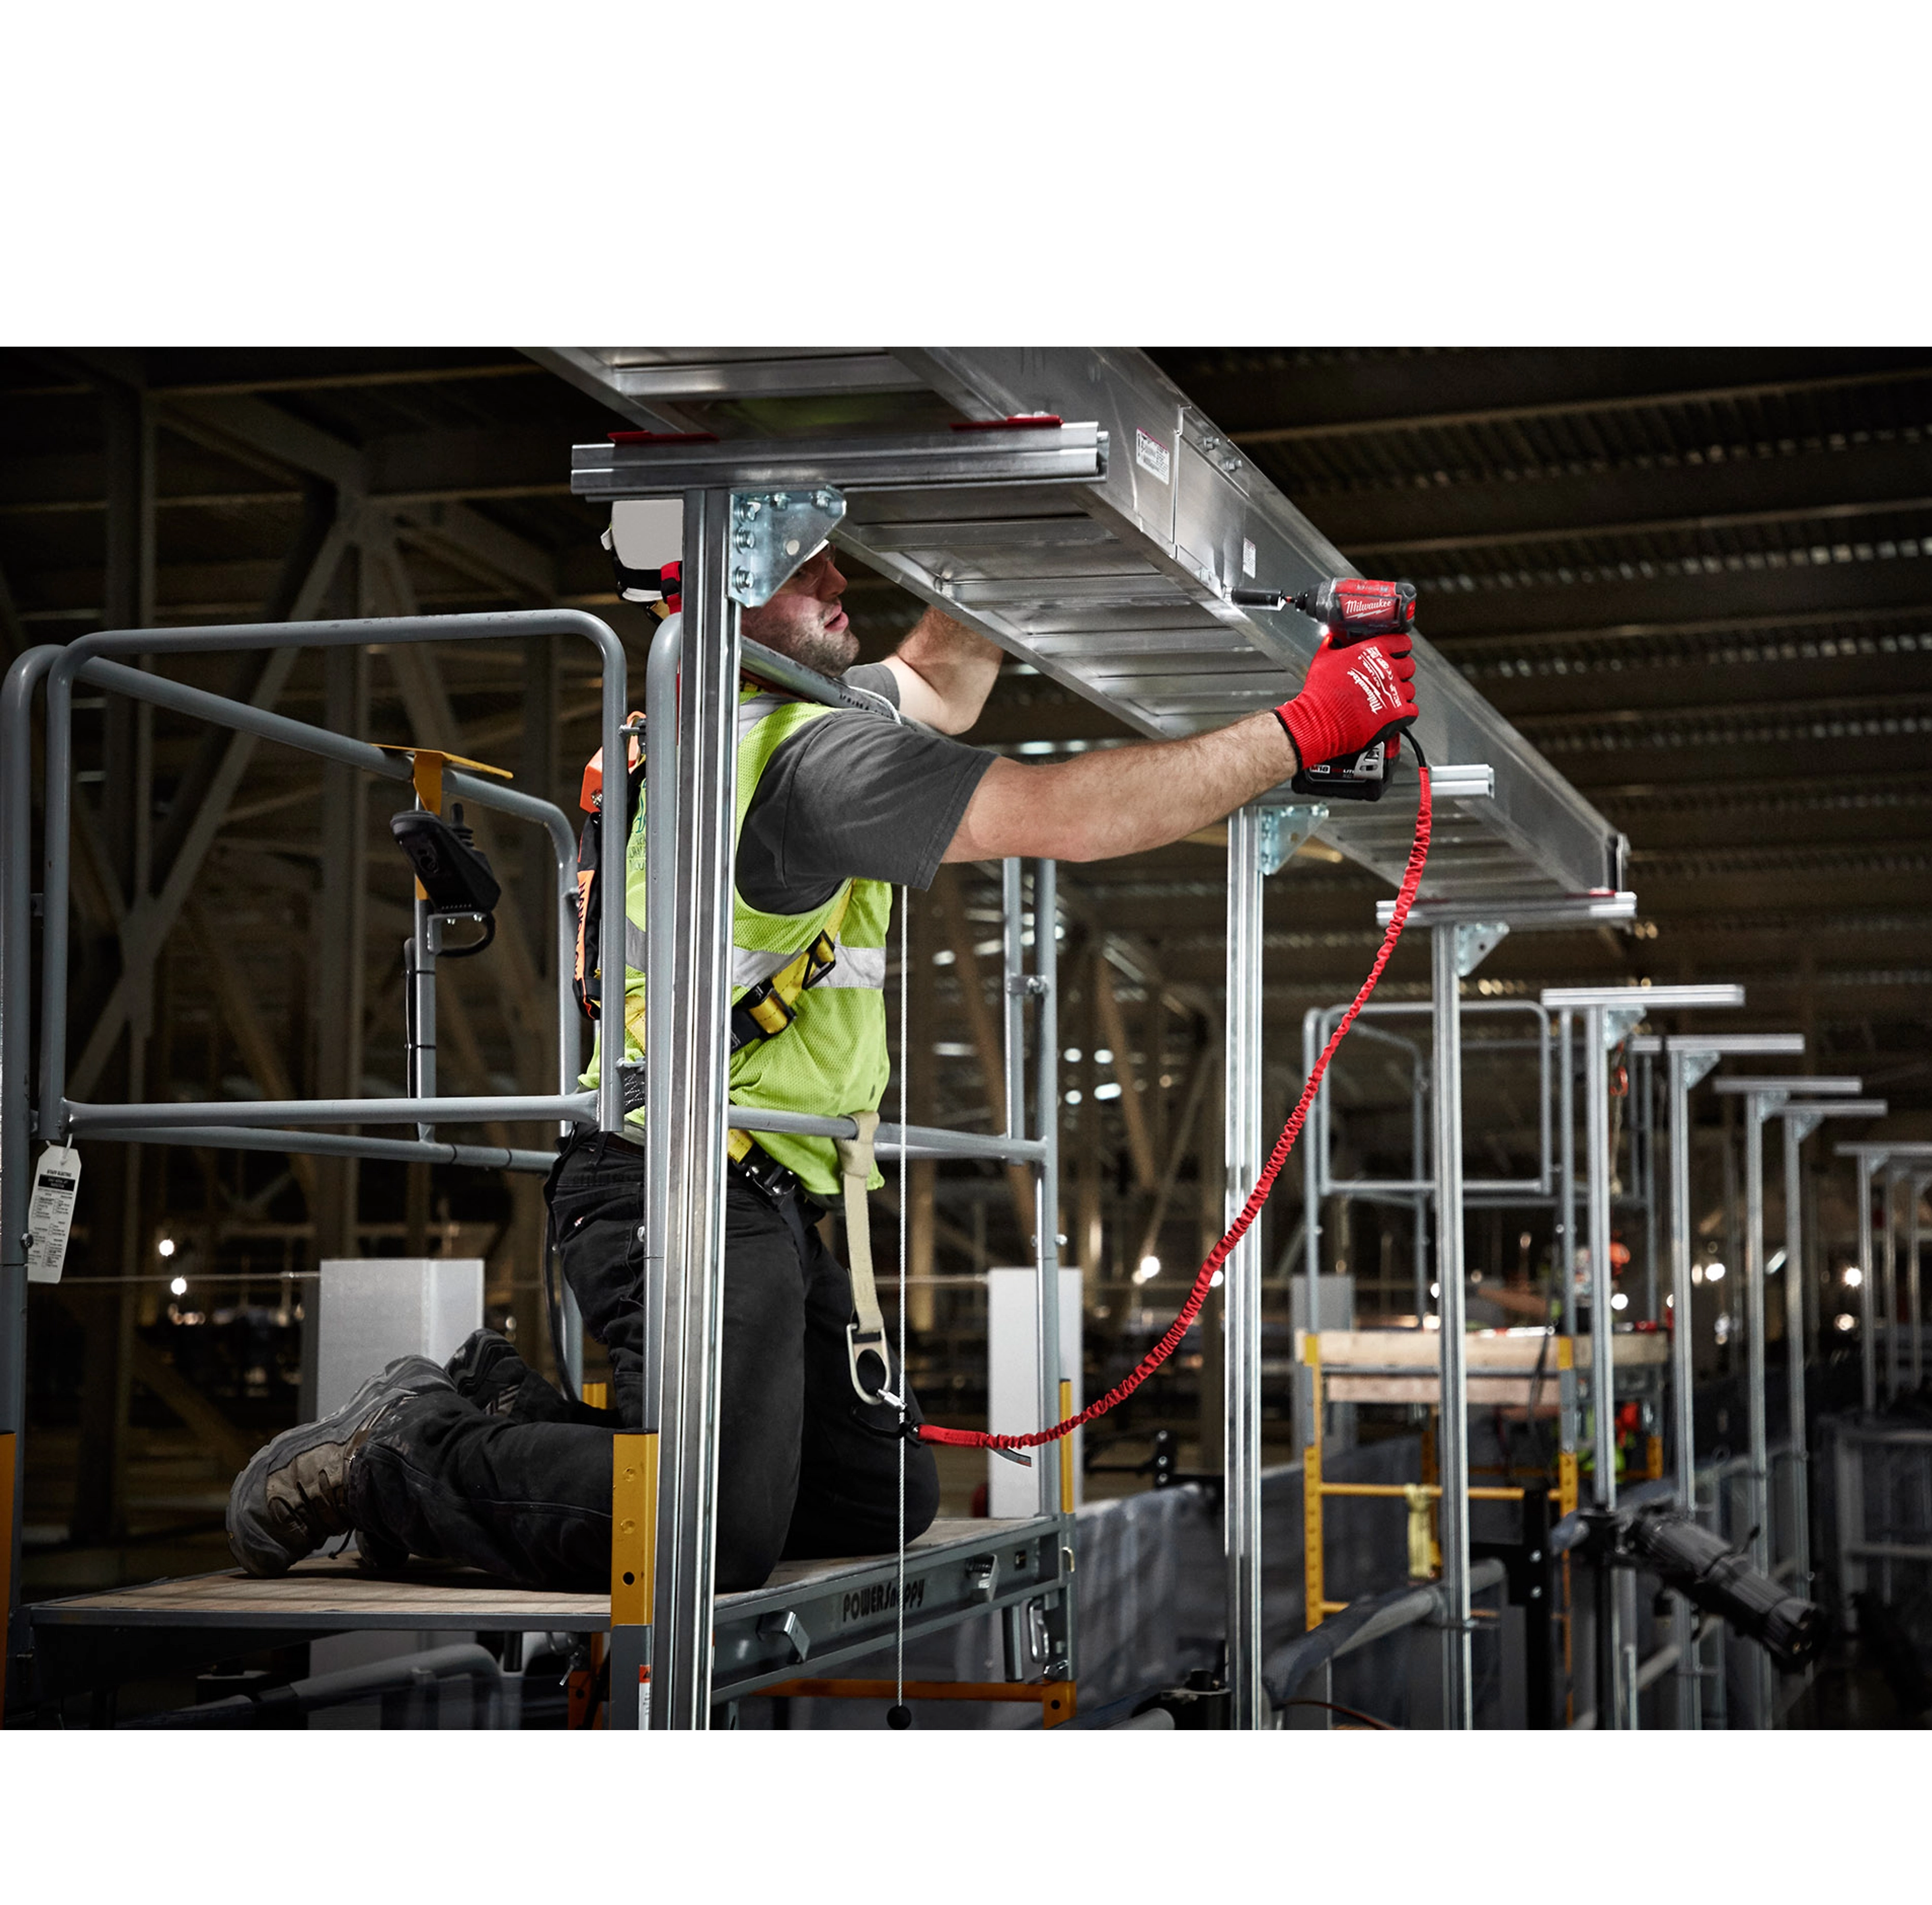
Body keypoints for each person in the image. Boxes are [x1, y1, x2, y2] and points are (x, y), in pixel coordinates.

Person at [226, 549, 1416, 1592]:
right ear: (716, 590)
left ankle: (499, 1402)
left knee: (875, 1499)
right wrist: (1305, 726)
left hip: (762, 1185)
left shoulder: (734, 713)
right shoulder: (796, 761)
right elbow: (1058, 810)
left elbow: (943, 677)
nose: (843, 580)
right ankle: (398, 1453)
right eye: (806, 567)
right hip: (679, 1185)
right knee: (707, 1529)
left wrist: (1015, 552)